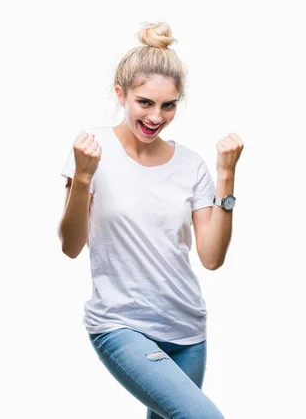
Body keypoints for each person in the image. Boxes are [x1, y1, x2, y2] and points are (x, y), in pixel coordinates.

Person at [58, 22, 242, 419]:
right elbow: (71, 245)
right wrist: (83, 178)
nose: (156, 116)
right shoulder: (92, 149)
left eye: (168, 105)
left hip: (188, 331)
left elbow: (211, 258)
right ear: (121, 94)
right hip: (121, 325)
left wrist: (226, 176)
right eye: (145, 102)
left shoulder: (191, 165)